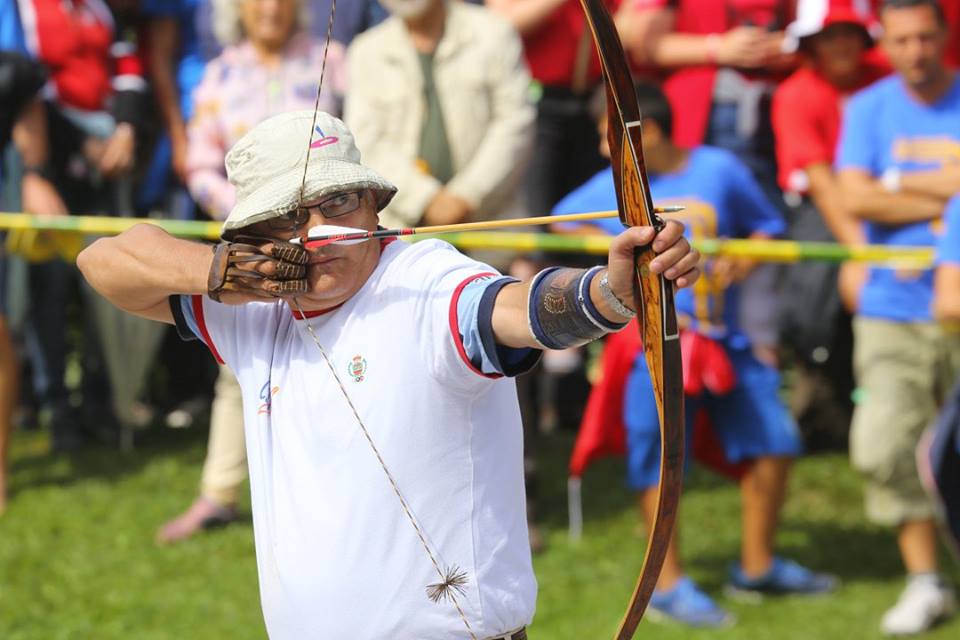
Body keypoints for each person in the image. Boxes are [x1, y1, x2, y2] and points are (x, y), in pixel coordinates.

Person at [77, 109, 701, 638]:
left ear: (374, 202)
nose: (320, 232)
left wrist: (611, 293)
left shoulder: (428, 282)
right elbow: (105, 260)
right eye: (290, 218)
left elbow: (519, 311)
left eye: (337, 203)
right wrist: (223, 273)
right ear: (254, 237)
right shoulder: (249, 310)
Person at [553, 81, 837, 627]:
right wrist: (614, 251)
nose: (601, 150)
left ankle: (758, 566)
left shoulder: (719, 168)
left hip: (724, 339)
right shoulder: (611, 187)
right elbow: (561, 221)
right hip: (648, 347)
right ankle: (667, 582)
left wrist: (743, 263)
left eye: (607, 137)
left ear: (647, 133)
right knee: (658, 453)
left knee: (775, 442)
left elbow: (770, 228)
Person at [156, 0, 347, 543]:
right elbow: (198, 163)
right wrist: (246, 217)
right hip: (249, 240)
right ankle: (218, 492)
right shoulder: (219, 75)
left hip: (327, 238)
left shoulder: (334, 61)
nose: (272, 8)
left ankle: (327, 490)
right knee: (239, 359)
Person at [836, 0, 960, 634]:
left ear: (944, 35)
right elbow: (853, 194)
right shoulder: (867, 109)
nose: (916, 50)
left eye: (926, 36)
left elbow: (875, 194)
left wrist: (896, 195)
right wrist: (951, 186)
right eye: (902, 39)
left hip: (957, 302)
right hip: (891, 303)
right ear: (885, 42)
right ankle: (925, 580)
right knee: (885, 445)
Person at [771, 0, 887, 449]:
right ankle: (816, 395)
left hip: (883, 205)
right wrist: (864, 254)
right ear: (811, 43)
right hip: (820, 210)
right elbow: (821, 184)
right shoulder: (795, 94)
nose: (841, 44)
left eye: (849, 33)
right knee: (813, 303)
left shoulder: (888, 81)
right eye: (830, 35)